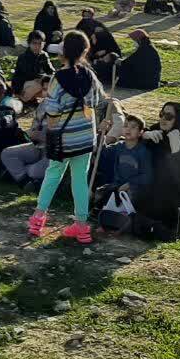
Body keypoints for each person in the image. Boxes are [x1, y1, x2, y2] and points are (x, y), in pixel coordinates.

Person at [28, 30, 107, 244]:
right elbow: (98, 100)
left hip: (63, 136)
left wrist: (52, 127)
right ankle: (81, 227)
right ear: (85, 50)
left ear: (63, 51)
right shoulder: (90, 76)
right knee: (80, 179)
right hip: (84, 136)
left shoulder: (58, 79)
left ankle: (38, 219)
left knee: (53, 174)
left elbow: (52, 110)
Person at [137, 102, 180, 238]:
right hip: (154, 188)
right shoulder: (156, 131)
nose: (163, 119)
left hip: (177, 195)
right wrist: (144, 135)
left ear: (179, 119)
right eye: (162, 114)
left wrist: (176, 150)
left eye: (169, 116)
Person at [93, 117, 154, 211]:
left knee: (128, 196)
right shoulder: (119, 147)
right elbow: (103, 151)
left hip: (135, 187)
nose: (128, 129)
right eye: (125, 126)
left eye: (133, 127)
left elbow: (146, 175)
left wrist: (128, 184)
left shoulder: (143, 152)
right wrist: (102, 131)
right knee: (100, 192)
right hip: (117, 184)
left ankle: (125, 215)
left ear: (140, 132)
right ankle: (102, 211)